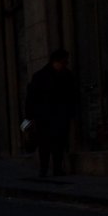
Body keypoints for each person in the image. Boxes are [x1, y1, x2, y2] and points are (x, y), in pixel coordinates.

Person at [25, 49, 79, 177]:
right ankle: (45, 169)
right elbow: (31, 99)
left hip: (58, 116)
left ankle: (56, 169)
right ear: (57, 62)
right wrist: (29, 118)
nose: (66, 64)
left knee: (58, 144)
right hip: (45, 117)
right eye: (64, 62)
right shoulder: (40, 77)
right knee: (45, 144)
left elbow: (72, 96)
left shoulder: (66, 75)